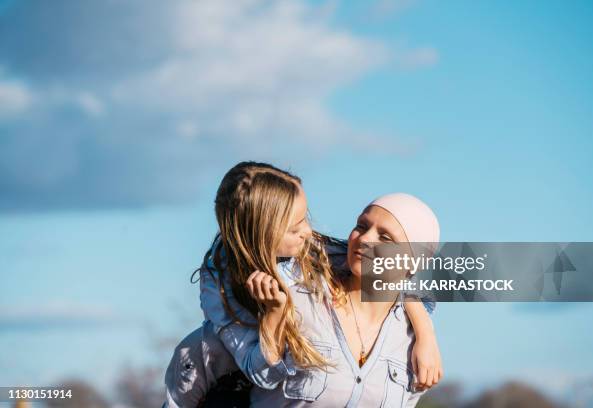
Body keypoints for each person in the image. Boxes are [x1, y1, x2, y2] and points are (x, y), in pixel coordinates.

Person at [164, 162, 442, 406]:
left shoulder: (406, 337)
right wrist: (273, 316)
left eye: (386, 237)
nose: (308, 233)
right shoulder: (234, 285)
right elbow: (207, 357)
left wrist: (425, 333)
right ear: (262, 232)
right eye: (361, 225)